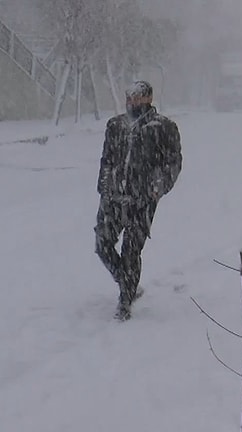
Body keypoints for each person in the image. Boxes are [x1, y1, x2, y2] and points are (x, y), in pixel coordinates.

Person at [95, 80, 183, 321]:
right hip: (113, 197)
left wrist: (157, 187)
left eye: (136, 97)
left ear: (148, 99)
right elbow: (107, 159)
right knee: (102, 245)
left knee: (131, 250)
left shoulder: (163, 127)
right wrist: (104, 186)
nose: (131, 101)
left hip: (142, 200)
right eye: (129, 97)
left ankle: (125, 300)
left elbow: (173, 163)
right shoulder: (115, 125)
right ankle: (127, 283)